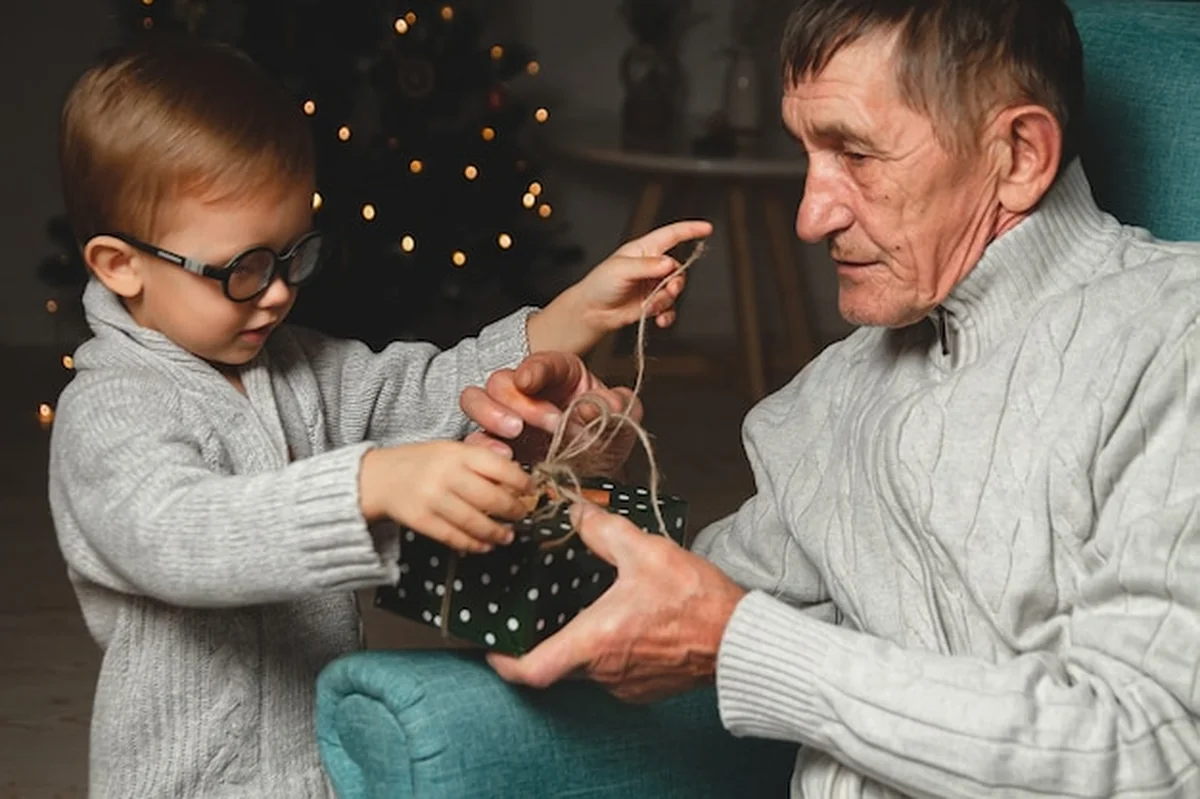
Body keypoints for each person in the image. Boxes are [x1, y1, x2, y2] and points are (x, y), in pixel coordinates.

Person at [459, 0, 1200, 796]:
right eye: (809, 151)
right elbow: (656, 623)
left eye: (857, 153)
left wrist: (744, 646)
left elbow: (1159, 752)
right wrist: (564, 480)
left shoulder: (1173, 335)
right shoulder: (831, 395)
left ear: (1019, 155)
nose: (811, 217)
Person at [46, 36, 710, 798]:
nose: (278, 291)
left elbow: (428, 390)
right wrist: (368, 484)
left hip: (326, 765)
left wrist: (576, 314)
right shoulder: (109, 408)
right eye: (244, 268)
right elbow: (181, 532)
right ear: (118, 264)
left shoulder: (291, 363)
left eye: (294, 254)